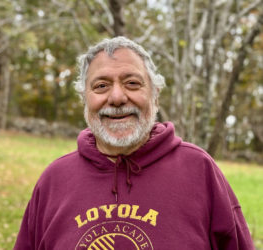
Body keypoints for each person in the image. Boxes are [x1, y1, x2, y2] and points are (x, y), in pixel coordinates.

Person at [14, 37, 254, 250]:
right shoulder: (54, 180)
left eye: (132, 83)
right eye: (101, 86)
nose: (117, 97)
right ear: (84, 99)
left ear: (155, 95)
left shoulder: (200, 170)